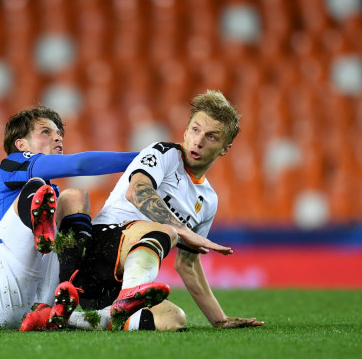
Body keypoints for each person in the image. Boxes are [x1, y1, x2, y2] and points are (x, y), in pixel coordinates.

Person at [24, 90, 264, 331]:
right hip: (99, 249)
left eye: (211, 136)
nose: (199, 141)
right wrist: (182, 230)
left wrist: (219, 319)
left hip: (116, 284)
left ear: (225, 148)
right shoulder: (164, 153)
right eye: (195, 130)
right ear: (185, 131)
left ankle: (76, 318)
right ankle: (125, 297)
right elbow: (137, 191)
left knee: (173, 317)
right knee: (167, 231)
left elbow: (187, 264)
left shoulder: (208, 200)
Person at [0, 105, 154, 330]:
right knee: (39, 188)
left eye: (59, 134)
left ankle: (66, 297)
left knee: (74, 197)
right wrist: (150, 157)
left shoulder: (52, 198)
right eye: (46, 132)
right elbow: (80, 164)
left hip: (35, 304)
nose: (57, 138)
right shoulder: (11, 165)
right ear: (21, 144)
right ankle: (73, 289)